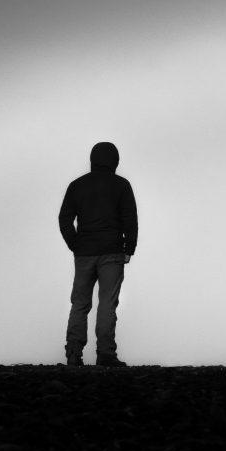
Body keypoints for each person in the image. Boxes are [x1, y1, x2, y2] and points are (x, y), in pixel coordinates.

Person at [59, 141, 139, 367]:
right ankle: (105, 353)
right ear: (115, 160)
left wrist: (75, 244)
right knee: (107, 303)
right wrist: (129, 248)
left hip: (84, 253)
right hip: (112, 252)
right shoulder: (122, 186)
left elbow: (64, 219)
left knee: (80, 303)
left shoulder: (77, 185)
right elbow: (130, 220)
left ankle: (73, 353)